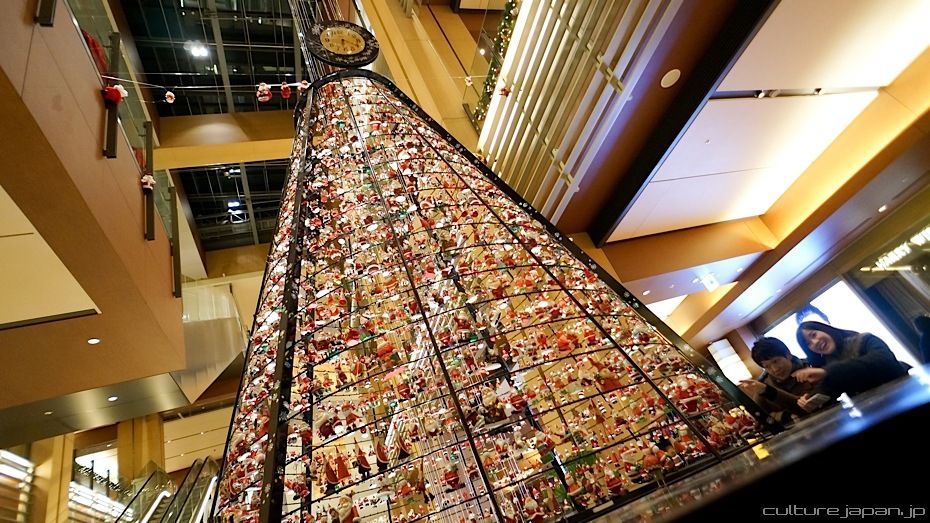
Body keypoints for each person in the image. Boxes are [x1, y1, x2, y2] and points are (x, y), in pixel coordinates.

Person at [793, 321, 908, 411]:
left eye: (814, 335)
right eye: (809, 344)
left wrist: (827, 371)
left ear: (825, 329)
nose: (815, 342)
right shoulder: (828, 363)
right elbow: (827, 388)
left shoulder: (865, 339)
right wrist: (809, 399)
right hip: (875, 410)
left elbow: (883, 360)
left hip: (905, 395)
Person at [738, 337, 816, 423]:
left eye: (775, 361)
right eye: (767, 366)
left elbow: (808, 406)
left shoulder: (812, 369)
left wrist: (769, 392)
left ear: (788, 355)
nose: (775, 369)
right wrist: (783, 416)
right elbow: (759, 416)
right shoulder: (764, 383)